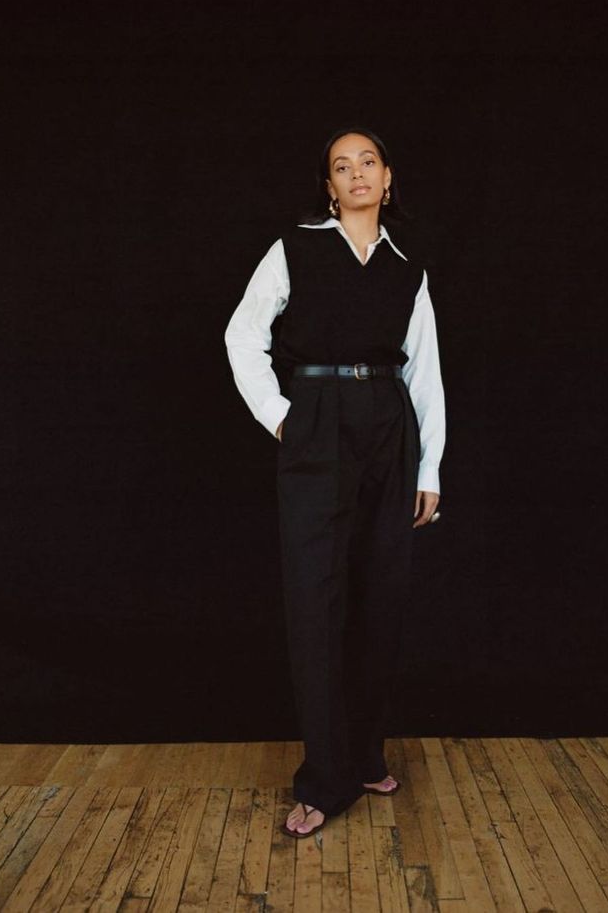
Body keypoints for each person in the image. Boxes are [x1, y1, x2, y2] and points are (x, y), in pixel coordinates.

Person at [224, 126, 446, 838]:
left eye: (368, 163)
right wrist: (285, 418)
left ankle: (364, 754)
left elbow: (425, 372)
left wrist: (429, 467)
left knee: (380, 592)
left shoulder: (406, 271)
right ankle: (324, 778)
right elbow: (242, 335)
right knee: (317, 599)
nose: (356, 174)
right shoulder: (295, 249)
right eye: (341, 166)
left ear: (387, 179)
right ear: (329, 186)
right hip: (317, 419)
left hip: (388, 423)